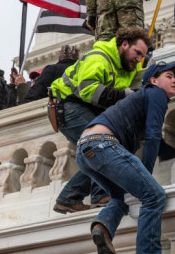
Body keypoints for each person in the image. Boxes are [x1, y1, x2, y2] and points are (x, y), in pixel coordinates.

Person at [76, 61, 175, 254]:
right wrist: (147, 177)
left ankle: (104, 226)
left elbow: (156, 144)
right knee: (153, 196)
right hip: (103, 144)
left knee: (121, 196)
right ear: (153, 80)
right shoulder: (155, 93)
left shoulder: (141, 98)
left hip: (84, 151)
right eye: (169, 76)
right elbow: (153, 136)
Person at [49, 27, 151, 214]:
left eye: (142, 56)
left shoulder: (127, 66)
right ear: (124, 44)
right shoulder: (100, 57)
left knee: (108, 148)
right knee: (102, 146)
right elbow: (88, 90)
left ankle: (73, 198)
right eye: (137, 53)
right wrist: (125, 95)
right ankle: (89, 196)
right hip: (68, 107)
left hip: (83, 108)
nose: (138, 59)